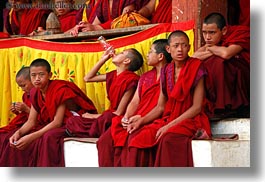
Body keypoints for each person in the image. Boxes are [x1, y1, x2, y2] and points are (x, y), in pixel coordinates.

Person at [112, 30, 211, 167]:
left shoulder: (196, 67)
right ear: (168, 49)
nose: (180, 50)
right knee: (137, 138)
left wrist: (168, 126)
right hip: (168, 118)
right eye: (176, 46)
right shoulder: (166, 71)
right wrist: (140, 121)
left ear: (189, 47)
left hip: (191, 119)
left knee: (167, 139)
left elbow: (197, 107)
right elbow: (160, 107)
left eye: (184, 45)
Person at [0, 58, 97, 167]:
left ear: (50, 75)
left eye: (41, 75)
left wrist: (31, 137)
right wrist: (18, 133)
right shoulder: (34, 93)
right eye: (33, 75)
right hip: (51, 123)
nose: (37, 79)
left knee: (47, 137)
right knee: (15, 136)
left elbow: (57, 123)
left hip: (69, 123)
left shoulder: (59, 90)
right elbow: (31, 121)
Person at [97, 39, 172, 167]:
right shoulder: (145, 77)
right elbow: (134, 101)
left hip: (154, 119)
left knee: (136, 140)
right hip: (136, 118)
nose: (147, 54)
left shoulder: (170, 74)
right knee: (105, 140)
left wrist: (141, 120)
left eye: (150, 52)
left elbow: (161, 107)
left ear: (160, 56)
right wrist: (126, 118)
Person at [65, 46, 143, 139]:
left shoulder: (131, 80)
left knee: (106, 117)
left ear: (126, 61)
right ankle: (93, 129)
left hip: (118, 118)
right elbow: (87, 78)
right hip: (107, 116)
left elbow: (118, 113)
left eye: (122, 53)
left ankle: (93, 130)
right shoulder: (113, 75)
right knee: (73, 121)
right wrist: (103, 59)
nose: (117, 53)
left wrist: (92, 116)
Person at [192, 12, 250, 120]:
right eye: (204, 33)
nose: (207, 37)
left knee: (218, 62)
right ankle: (215, 105)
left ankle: (228, 106)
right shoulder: (212, 42)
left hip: (247, 75)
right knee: (204, 63)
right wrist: (214, 50)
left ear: (224, 31)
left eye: (212, 32)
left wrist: (212, 50)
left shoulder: (240, 33)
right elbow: (194, 57)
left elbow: (226, 54)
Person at [0, 67, 33, 163]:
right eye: (20, 87)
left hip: (36, 126)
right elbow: (25, 116)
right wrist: (17, 112)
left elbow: (45, 117)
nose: (22, 89)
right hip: (25, 124)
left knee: (8, 139)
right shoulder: (26, 95)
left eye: (24, 85)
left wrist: (26, 109)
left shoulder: (41, 94)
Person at [70, 0, 136, 36]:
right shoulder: (103, 2)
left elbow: (125, 20)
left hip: (126, 39)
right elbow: (94, 25)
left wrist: (96, 28)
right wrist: (82, 27)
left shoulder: (128, 1)